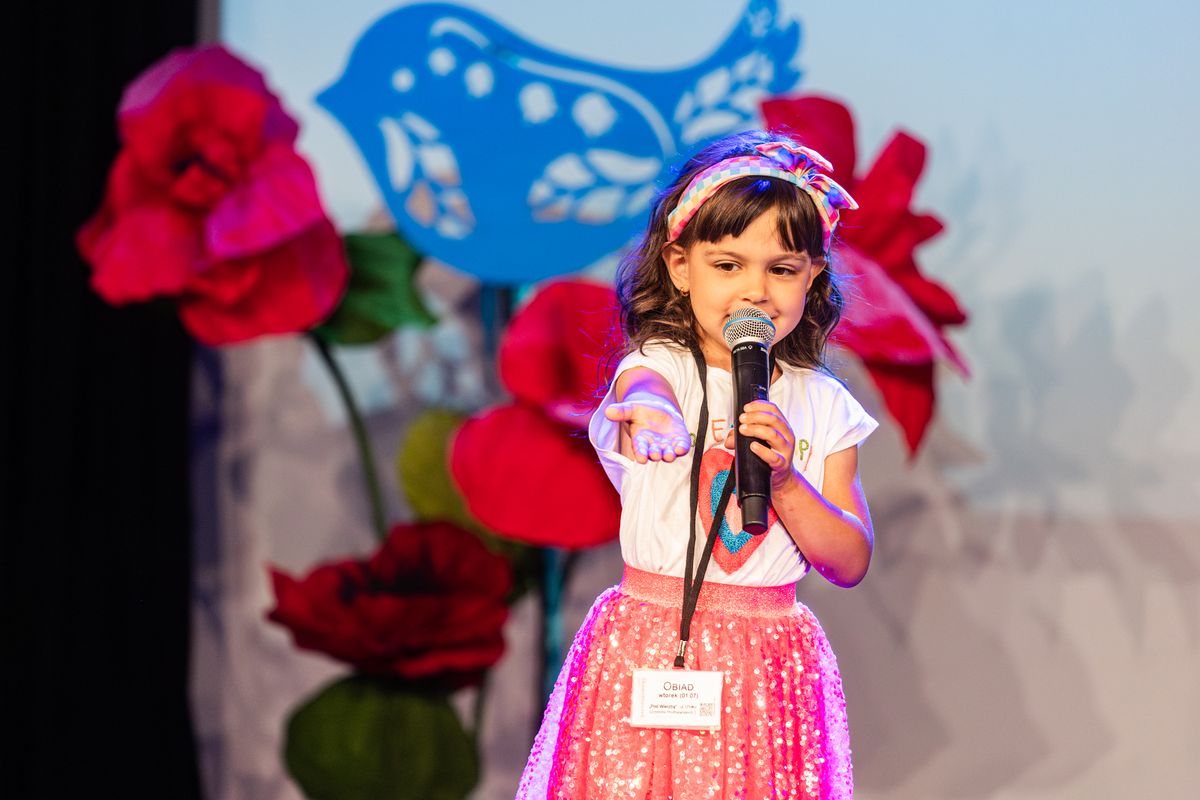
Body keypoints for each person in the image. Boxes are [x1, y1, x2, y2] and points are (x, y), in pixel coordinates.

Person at [516, 131, 877, 800]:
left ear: (814, 275)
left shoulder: (825, 404)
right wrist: (654, 415)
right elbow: (644, 388)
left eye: (782, 269)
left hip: (770, 660)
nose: (755, 290)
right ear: (681, 267)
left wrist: (785, 482)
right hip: (651, 641)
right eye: (728, 265)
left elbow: (849, 559)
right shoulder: (660, 367)